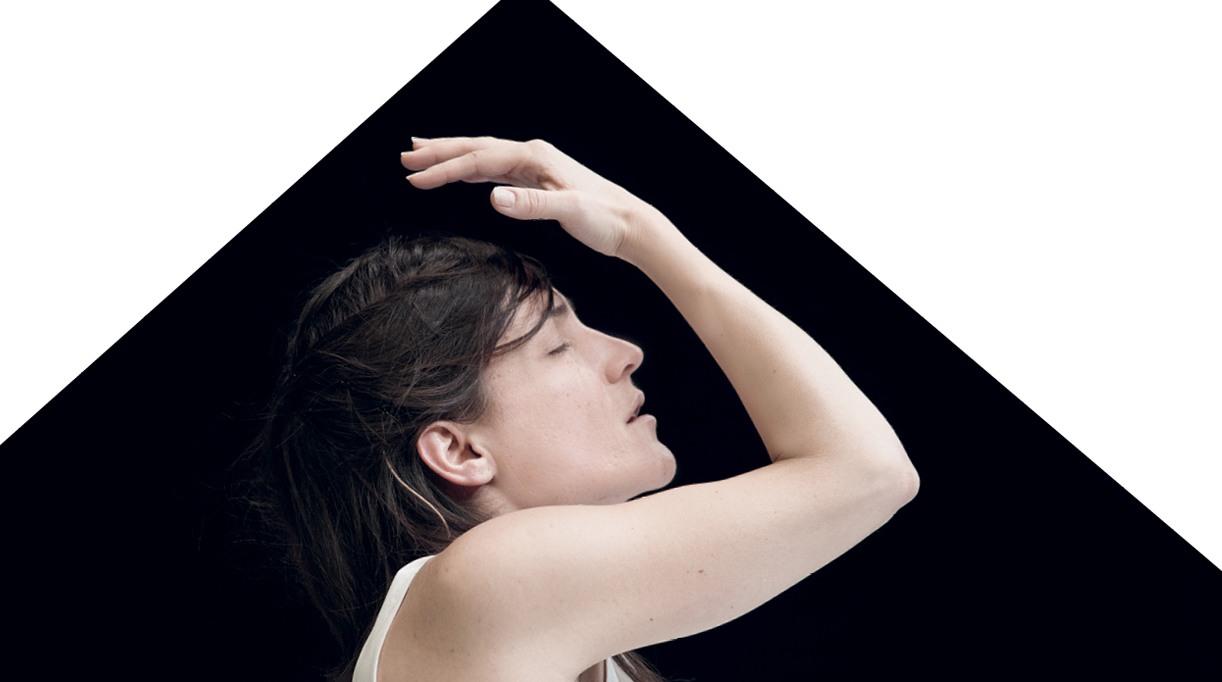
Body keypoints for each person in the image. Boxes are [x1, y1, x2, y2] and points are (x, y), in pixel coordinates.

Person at [235, 137, 919, 682]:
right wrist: (641, 232)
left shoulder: (555, 632)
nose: (626, 353)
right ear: (460, 450)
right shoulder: (491, 580)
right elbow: (866, 471)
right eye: (558, 345)